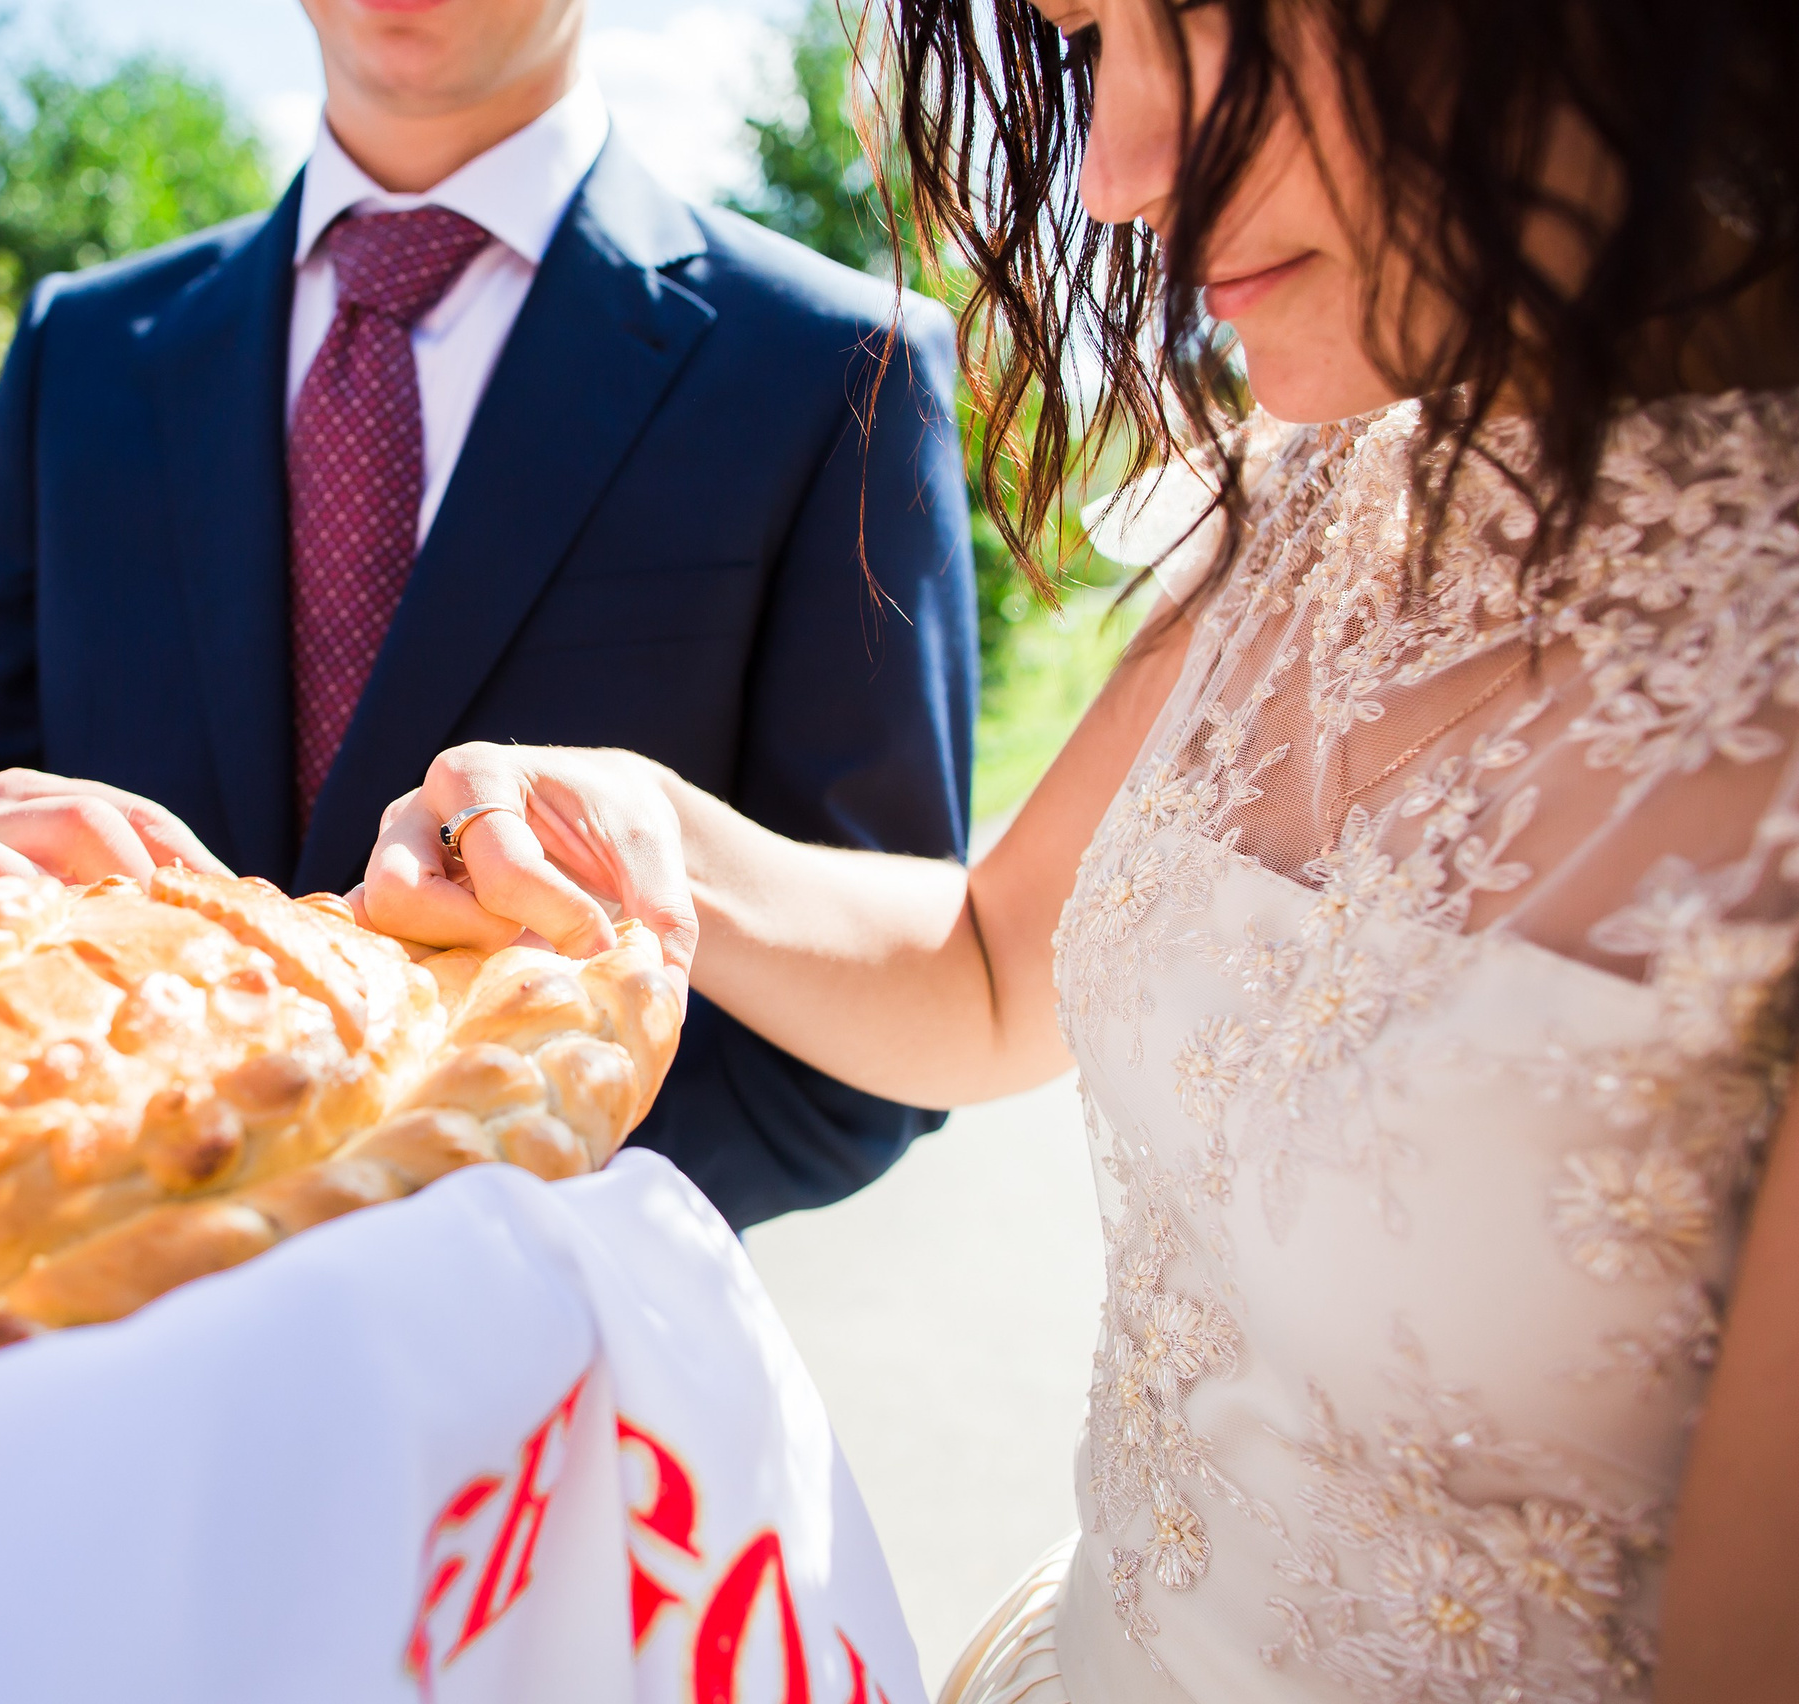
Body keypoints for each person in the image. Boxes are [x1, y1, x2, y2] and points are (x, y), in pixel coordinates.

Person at [352, 0, 1799, 1698]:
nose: (1113, 176)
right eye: (1087, 42)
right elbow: (985, 964)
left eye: (1190, 21)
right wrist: (633, 820)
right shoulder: (1317, 492)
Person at [0, 0, 979, 1227]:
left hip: (539, 1341)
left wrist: (426, 1194)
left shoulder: (834, 364)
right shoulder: (86, 349)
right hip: (66, 1303)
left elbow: (868, 1030)